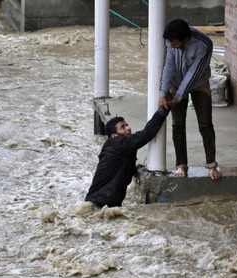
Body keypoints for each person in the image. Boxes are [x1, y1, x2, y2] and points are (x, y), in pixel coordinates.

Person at [158, 18, 222, 180]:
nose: (171, 46)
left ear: (185, 39)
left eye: (175, 44)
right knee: (177, 124)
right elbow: (168, 65)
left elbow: (193, 74)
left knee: (205, 123)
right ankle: (181, 165)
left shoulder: (204, 44)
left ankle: (212, 165)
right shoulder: (171, 41)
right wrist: (163, 93)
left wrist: (179, 97)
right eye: (170, 43)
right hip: (176, 82)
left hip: (199, 82)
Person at [86, 107, 170, 207]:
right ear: (114, 135)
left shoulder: (117, 148)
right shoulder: (118, 143)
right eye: (123, 127)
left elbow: (118, 169)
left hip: (102, 204)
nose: (128, 128)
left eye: (127, 125)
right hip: (102, 203)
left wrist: (134, 168)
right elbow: (147, 133)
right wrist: (163, 110)